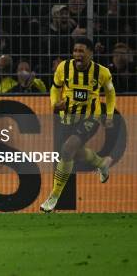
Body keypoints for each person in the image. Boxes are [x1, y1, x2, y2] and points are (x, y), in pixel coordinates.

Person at [40, 37, 115, 212]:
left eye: (81, 51)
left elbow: (110, 93)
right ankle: (101, 163)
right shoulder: (63, 68)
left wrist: (109, 115)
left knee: (68, 149)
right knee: (72, 152)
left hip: (91, 117)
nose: (77, 55)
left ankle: (53, 197)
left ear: (90, 53)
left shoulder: (102, 72)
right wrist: (54, 103)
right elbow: (55, 87)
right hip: (67, 117)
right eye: (75, 51)